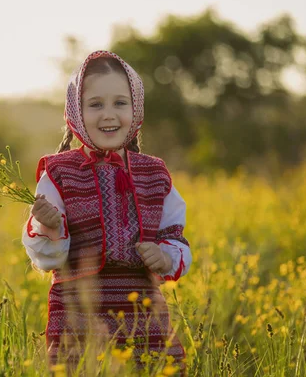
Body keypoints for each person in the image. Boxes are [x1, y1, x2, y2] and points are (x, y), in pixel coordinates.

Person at [22, 50, 192, 375]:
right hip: (78, 307)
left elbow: (175, 234)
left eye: (120, 103)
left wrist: (165, 257)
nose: (109, 115)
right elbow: (46, 258)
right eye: (96, 104)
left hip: (143, 308)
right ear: (75, 111)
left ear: (136, 107)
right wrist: (49, 227)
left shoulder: (154, 173)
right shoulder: (58, 173)